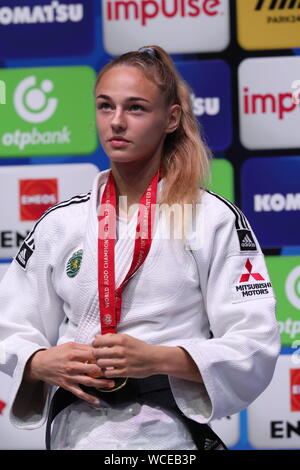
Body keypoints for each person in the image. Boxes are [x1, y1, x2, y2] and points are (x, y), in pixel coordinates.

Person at [0, 45, 280, 451]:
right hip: (75, 433)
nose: (116, 122)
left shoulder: (211, 218)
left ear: (170, 119)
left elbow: (255, 339)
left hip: (166, 434)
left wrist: (158, 359)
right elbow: (10, 323)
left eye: (135, 108)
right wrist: (40, 362)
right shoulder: (61, 223)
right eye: (105, 106)